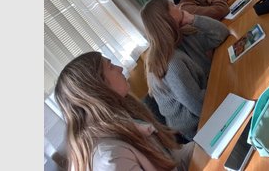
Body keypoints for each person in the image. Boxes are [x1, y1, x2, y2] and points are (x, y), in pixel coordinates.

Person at [54, 51, 194, 171]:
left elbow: (172, 160)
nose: (120, 68)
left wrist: (202, 143)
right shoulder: (110, 156)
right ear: (97, 87)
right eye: (111, 66)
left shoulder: (125, 120)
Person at [141, 0, 237, 141]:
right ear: (167, 17)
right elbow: (200, 107)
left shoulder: (183, 36)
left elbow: (221, 34)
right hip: (199, 127)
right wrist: (227, 85)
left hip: (212, 100)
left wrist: (192, 19)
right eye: (173, 6)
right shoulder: (172, 63)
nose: (178, 6)